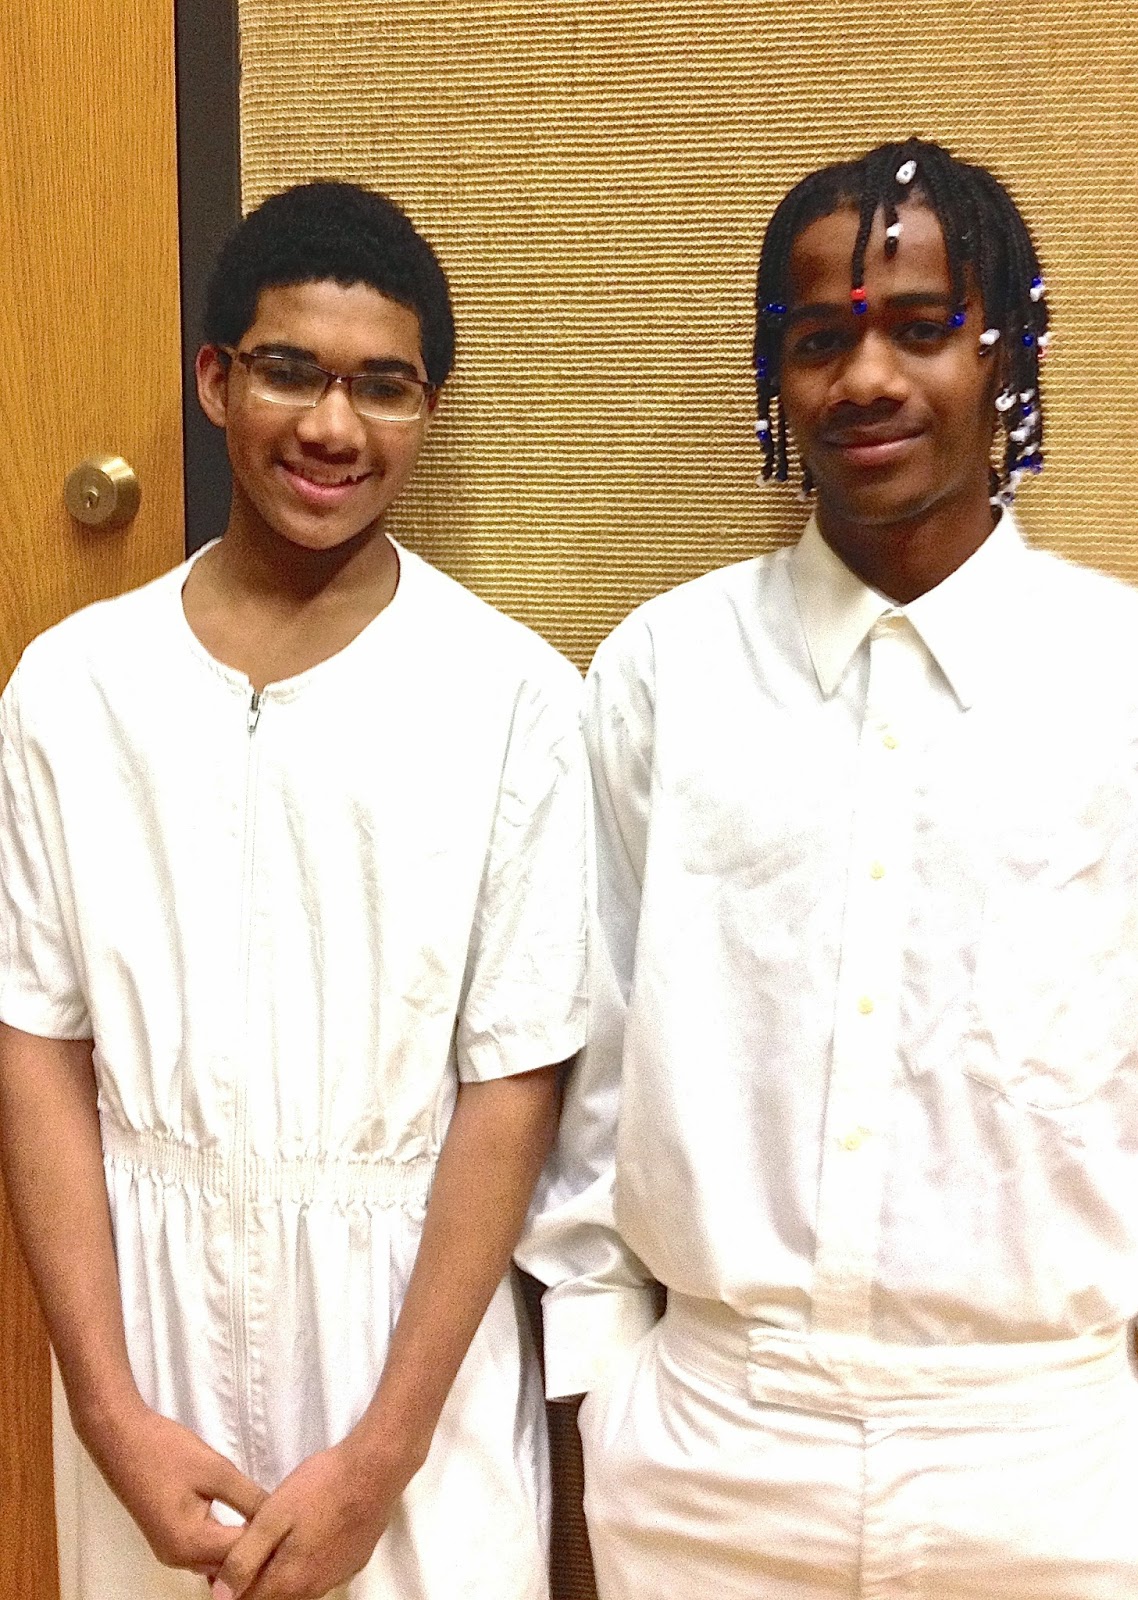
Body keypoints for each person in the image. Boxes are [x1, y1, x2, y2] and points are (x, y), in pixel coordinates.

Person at [519, 137, 1138, 1598]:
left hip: (1050, 1450)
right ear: (774, 379)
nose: (866, 378)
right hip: (713, 1443)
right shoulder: (664, 672)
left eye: (920, 328)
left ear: (1005, 353)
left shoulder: (1116, 675)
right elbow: (593, 1057)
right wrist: (601, 1406)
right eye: (817, 340)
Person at [0, 181, 586, 1600]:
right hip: (148, 1348)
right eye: (289, 372)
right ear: (216, 379)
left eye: (382, 387)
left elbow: (515, 1084)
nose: (333, 427)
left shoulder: (510, 696)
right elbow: (37, 1042)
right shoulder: (72, 690)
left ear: (425, 411)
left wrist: (384, 1453)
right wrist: (108, 1413)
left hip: (408, 1352)